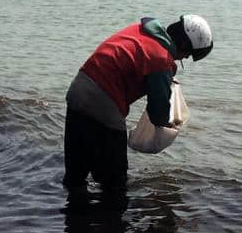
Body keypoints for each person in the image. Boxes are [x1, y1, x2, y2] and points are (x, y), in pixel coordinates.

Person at [63, 15, 213, 190]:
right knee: (115, 184)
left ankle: (71, 214)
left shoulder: (138, 30)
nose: (185, 58)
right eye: (188, 54)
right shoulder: (161, 60)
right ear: (184, 45)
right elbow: (158, 114)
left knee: (75, 175)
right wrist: (169, 125)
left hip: (78, 91)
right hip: (104, 105)